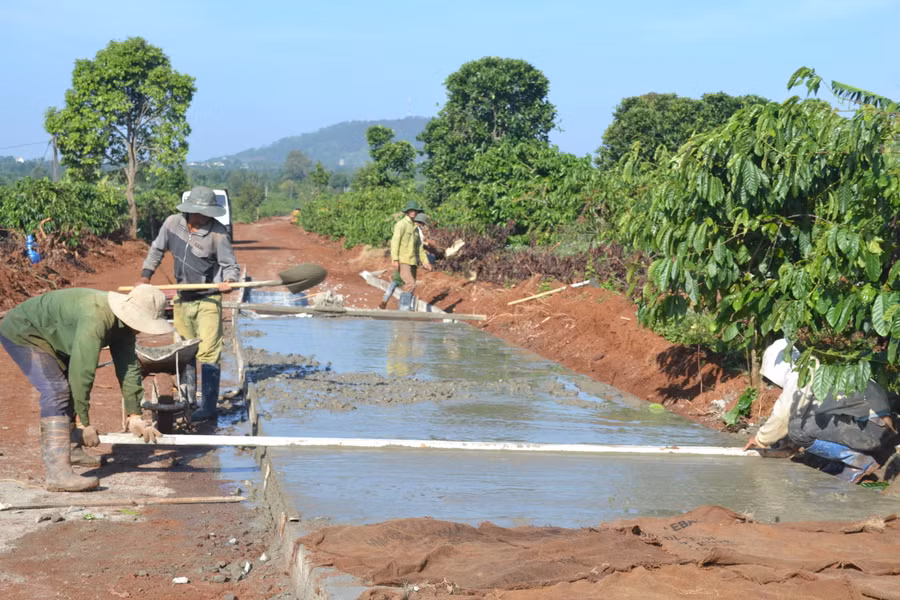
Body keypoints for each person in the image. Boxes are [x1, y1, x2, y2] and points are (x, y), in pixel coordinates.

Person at [0, 285, 172, 492]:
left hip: (56, 334)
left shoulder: (124, 328)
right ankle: (58, 475)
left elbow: (129, 369)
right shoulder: (96, 318)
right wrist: (83, 423)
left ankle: (71, 450)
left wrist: (134, 416)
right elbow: (83, 370)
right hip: (25, 331)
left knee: (67, 386)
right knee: (57, 390)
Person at [137, 186, 240, 422]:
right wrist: (145, 276)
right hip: (183, 299)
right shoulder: (173, 224)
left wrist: (229, 281)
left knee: (208, 352)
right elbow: (156, 250)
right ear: (190, 210)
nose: (204, 217)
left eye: (207, 213)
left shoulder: (218, 233)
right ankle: (187, 399)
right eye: (200, 213)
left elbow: (230, 265)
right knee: (183, 351)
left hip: (208, 299)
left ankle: (209, 407)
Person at [744, 339, 898, 483]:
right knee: (805, 425)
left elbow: (784, 415)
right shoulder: (823, 366)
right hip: (879, 429)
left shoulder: (800, 375)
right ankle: (846, 460)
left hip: (869, 432)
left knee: (797, 429)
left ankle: (859, 461)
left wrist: (760, 440)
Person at [388, 200, 431, 311]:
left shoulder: (416, 229)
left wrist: (425, 261)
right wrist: (395, 259)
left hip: (413, 261)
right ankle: (403, 309)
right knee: (410, 283)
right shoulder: (401, 225)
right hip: (403, 260)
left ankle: (404, 307)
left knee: (411, 286)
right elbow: (395, 242)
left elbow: (419, 249)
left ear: (417, 212)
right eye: (411, 210)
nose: (413, 212)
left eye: (415, 210)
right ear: (407, 212)